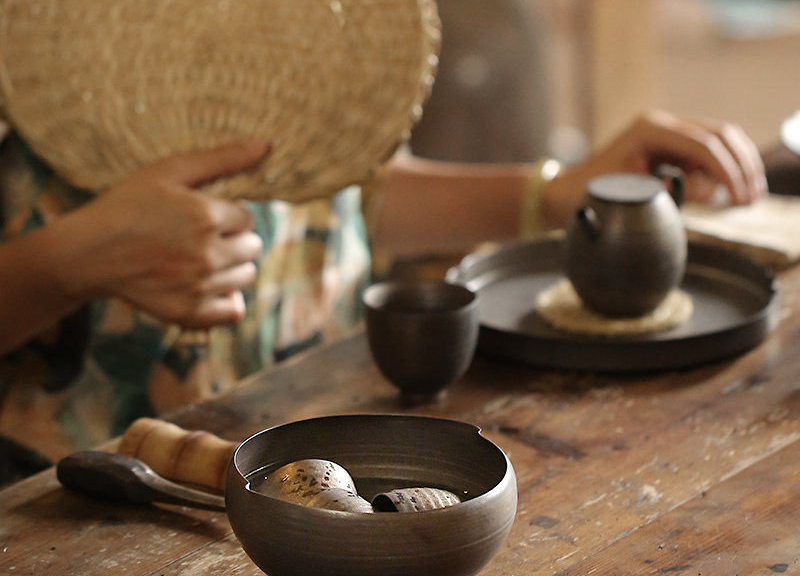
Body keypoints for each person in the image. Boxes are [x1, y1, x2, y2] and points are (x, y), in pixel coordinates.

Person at [0, 109, 766, 483]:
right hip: (74, 508)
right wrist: (69, 261)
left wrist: (548, 198)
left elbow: (336, 194)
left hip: (329, 456)